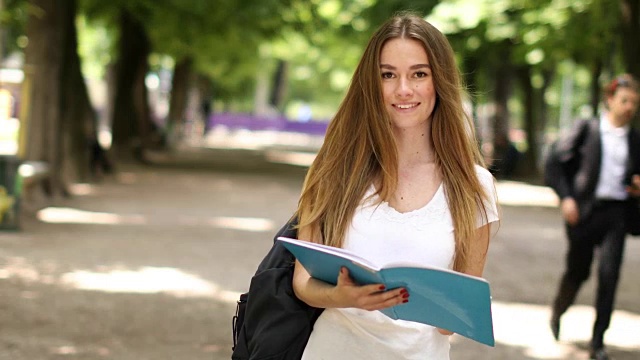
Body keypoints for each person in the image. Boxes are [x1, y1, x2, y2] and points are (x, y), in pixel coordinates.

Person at [290, 12, 500, 359]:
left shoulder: (474, 187)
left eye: (419, 74)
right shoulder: (335, 169)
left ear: (440, 80)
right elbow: (303, 283)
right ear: (372, 83)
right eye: (388, 75)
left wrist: (459, 306)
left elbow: (452, 322)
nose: (403, 89)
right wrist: (343, 296)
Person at [545, 74, 640, 360]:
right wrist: (567, 198)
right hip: (585, 213)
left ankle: (597, 342)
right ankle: (558, 310)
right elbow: (554, 163)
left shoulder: (635, 139)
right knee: (579, 271)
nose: (629, 108)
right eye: (625, 101)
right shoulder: (587, 128)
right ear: (610, 100)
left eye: (634, 103)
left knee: (609, 276)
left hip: (617, 213)